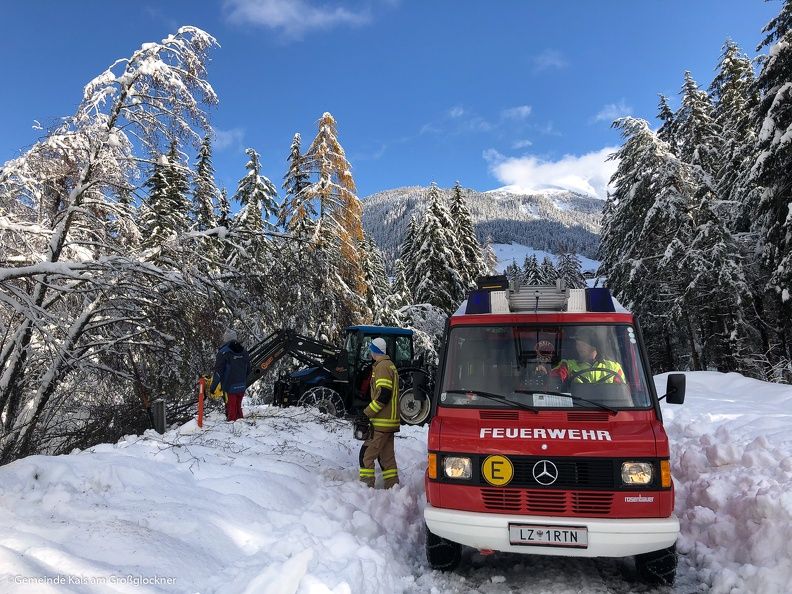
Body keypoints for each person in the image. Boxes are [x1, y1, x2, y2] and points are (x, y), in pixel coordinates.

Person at [359, 337, 400, 489]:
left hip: (382, 422)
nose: (370, 352)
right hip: (389, 423)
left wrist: (366, 413)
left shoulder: (382, 367)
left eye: (371, 349)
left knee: (365, 456)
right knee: (387, 459)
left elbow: (383, 395)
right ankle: (393, 488)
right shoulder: (390, 365)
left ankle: (366, 489)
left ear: (374, 351)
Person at [539, 328, 625, 386]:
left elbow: (621, 394)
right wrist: (545, 376)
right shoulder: (568, 366)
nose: (578, 347)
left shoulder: (614, 368)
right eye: (577, 344)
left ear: (594, 346)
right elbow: (554, 381)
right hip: (576, 408)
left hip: (608, 409)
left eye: (582, 344)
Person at [210, 329, 251, 422]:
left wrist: (213, 387)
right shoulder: (244, 351)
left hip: (229, 385)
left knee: (231, 408)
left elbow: (218, 372)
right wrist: (243, 379)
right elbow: (248, 369)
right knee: (238, 406)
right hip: (241, 384)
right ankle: (240, 422)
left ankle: (232, 426)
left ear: (225, 339)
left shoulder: (223, 352)